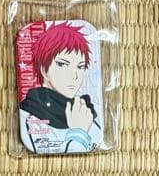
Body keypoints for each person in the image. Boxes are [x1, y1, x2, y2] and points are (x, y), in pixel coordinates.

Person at [20, 22, 102, 154]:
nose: (74, 76)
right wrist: (79, 132)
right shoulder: (29, 117)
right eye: (62, 64)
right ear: (43, 69)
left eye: (80, 66)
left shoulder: (87, 112)